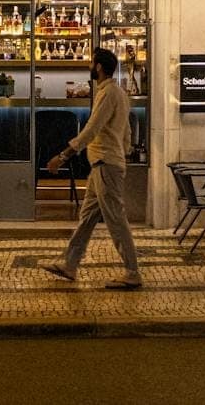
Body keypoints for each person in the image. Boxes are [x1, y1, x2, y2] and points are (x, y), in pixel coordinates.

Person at [45, 47, 141, 290]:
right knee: (86, 219)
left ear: (98, 67)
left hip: (106, 165)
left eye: (91, 62)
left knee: (116, 220)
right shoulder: (119, 93)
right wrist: (124, 153)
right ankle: (70, 264)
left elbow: (92, 128)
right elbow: (126, 132)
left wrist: (63, 155)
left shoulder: (108, 93)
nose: (89, 65)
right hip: (104, 165)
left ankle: (132, 272)